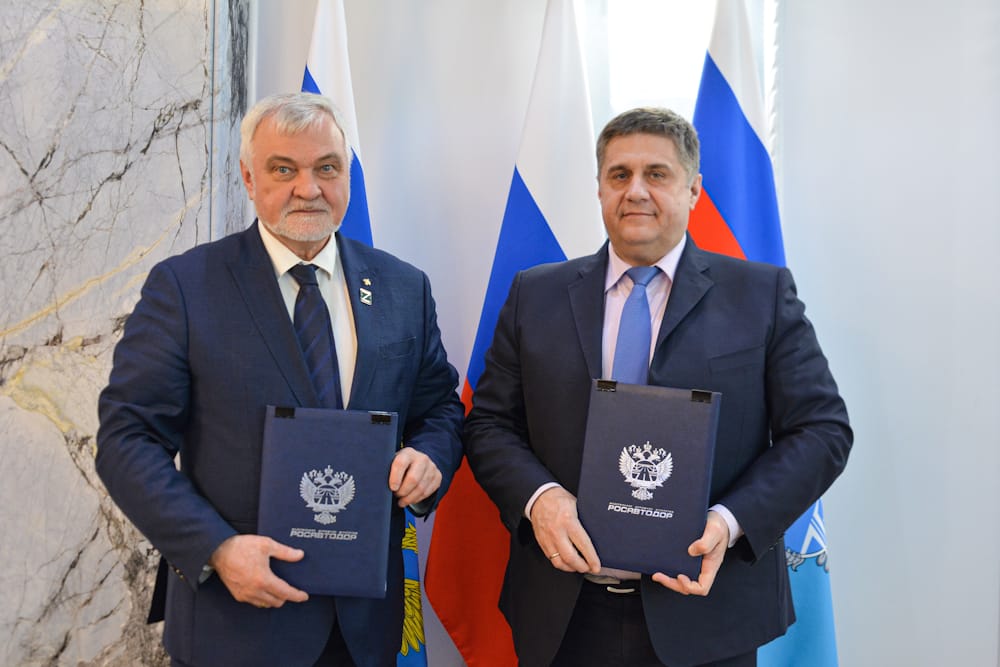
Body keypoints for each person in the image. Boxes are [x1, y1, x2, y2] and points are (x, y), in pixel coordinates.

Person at [464, 107, 852, 667]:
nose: (636, 191)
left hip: (706, 611)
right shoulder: (535, 294)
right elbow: (489, 424)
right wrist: (540, 500)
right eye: (619, 175)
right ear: (600, 188)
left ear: (693, 190)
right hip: (564, 613)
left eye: (657, 174)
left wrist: (730, 522)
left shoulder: (760, 295)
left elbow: (822, 430)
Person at [96, 92, 465, 667]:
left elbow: (439, 408)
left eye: (327, 168)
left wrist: (430, 457)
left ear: (347, 176)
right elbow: (127, 439)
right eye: (284, 169)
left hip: (364, 627)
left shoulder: (403, 288)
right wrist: (216, 548)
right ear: (249, 178)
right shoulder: (186, 288)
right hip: (235, 621)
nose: (308, 188)